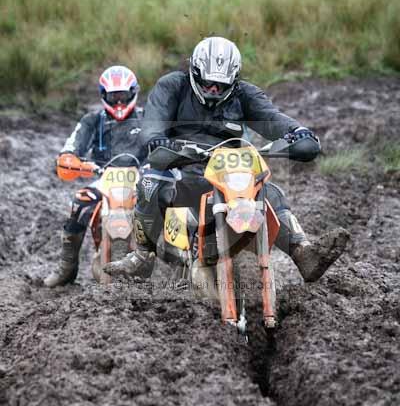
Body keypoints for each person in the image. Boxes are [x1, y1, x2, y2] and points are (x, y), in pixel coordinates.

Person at [104, 37, 349, 282]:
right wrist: (157, 138)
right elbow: (153, 122)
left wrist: (297, 132)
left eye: (220, 85)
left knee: (270, 192)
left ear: (234, 80)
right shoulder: (172, 86)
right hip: (179, 165)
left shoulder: (245, 94)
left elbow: (272, 118)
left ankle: (303, 252)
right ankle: (142, 256)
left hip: (228, 171)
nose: (213, 89)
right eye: (208, 83)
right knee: (149, 182)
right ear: (195, 73)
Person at [44, 65, 144, 287]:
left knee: (169, 202)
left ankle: (178, 261)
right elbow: (71, 147)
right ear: (103, 96)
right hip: (104, 179)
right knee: (79, 202)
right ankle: (66, 266)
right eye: (113, 96)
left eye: (123, 95)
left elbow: (162, 143)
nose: (119, 102)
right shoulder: (93, 120)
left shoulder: (147, 118)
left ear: (133, 93)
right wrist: (68, 158)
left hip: (142, 179)